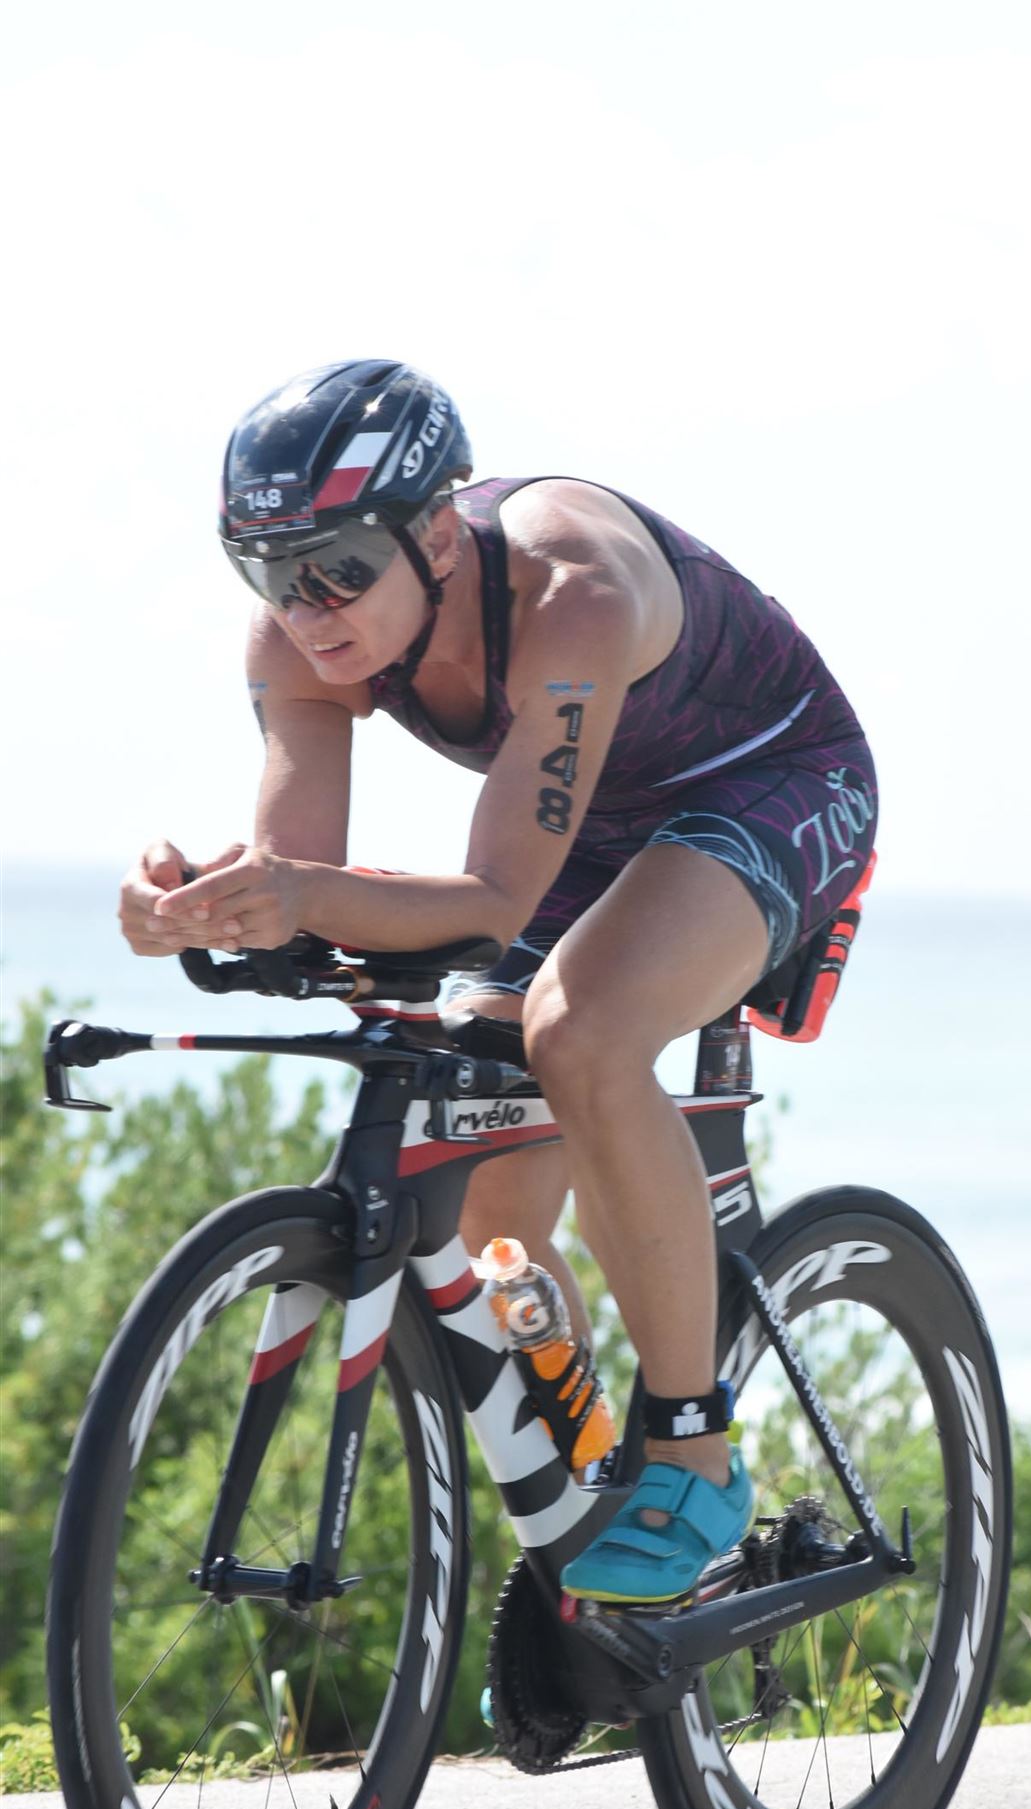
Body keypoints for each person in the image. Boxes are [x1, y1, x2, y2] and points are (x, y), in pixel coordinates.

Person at [118, 359, 878, 1605]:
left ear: (433, 533)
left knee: (583, 1035)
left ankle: (693, 1453)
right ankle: (590, 1500)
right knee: (487, 1193)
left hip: (770, 783)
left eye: (335, 569)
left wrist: (292, 894)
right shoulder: (301, 637)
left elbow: (488, 905)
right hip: (587, 828)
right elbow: (301, 879)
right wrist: (202, 905)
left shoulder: (572, 590)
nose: (306, 608)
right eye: (267, 572)